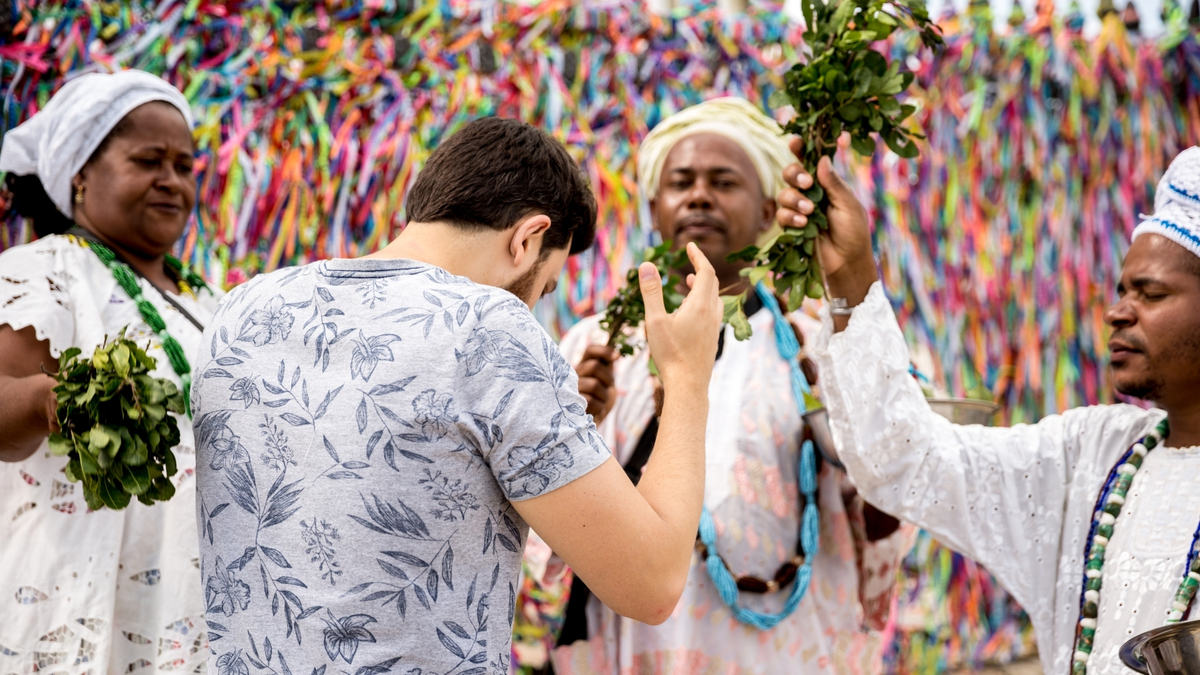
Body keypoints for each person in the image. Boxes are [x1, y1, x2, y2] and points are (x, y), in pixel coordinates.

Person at [191, 117, 724, 674]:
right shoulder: (489, 332)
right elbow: (652, 584)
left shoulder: (241, 309)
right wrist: (687, 377)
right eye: (544, 288)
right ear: (527, 238)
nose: (535, 306)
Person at [774, 144, 1200, 675]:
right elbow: (909, 459)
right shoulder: (1094, 454)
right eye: (1120, 292)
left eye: (1150, 294)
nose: (1117, 312)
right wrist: (851, 278)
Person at [549, 98, 914, 675]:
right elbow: (550, 539)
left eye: (723, 182)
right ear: (653, 205)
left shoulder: (815, 341)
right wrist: (579, 426)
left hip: (785, 647)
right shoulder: (596, 345)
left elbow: (894, 476)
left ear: (770, 210)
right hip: (636, 649)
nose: (699, 196)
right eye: (681, 182)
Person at [0, 70, 220, 673]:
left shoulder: (212, 303)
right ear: (80, 174)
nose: (171, 181)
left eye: (184, 165)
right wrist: (59, 400)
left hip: (192, 610)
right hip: (76, 602)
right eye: (149, 160)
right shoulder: (43, 274)